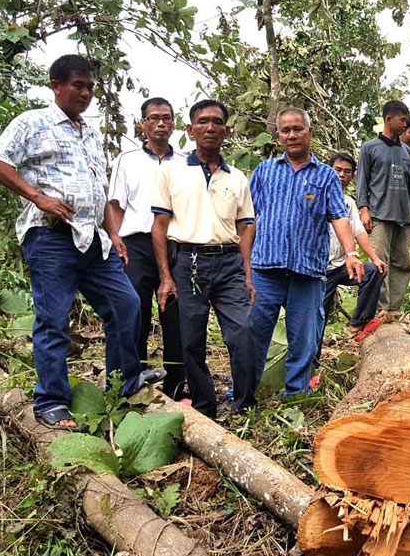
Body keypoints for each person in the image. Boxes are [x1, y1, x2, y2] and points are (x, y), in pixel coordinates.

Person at [0, 54, 163, 430]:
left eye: (91, 87)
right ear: (56, 86)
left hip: (93, 239)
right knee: (54, 320)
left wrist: (114, 233)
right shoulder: (33, 122)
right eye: (78, 85)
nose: (85, 93)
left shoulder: (90, 133)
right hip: (50, 237)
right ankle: (50, 401)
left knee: (126, 304)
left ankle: (124, 382)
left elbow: (100, 191)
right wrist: (38, 197)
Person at [248, 108, 365, 400]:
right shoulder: (265, 171)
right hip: (265, 269)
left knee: (304, 339)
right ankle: (244, 393)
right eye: (285, 130)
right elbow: (248, 217)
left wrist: (351, 253)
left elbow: (339, 216)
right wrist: (242, 263)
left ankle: (296, 395)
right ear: (278, 135)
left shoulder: (326, 176)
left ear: (309, 132)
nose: (291, 135)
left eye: (297, 128)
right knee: (254, 335)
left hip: (308, 272)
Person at [151, 100, 257, 415]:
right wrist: (166, 276)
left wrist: (247, 271)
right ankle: (204, 404)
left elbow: (246, 225)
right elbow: (159, 226)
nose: (210, 127)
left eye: (216, 122)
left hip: (228, 262)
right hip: (188, 261)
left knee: (243, 332)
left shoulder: (237, 177)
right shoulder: (172, 172)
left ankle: (244, 402)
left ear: (226, 130)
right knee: (191, 340)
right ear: (191, 129)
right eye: (203, 121)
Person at [106, 97, 186, 401]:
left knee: (175, 318)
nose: (161, 123)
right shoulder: (127, 160)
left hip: (173, 246)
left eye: (166, 118)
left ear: (174, 123)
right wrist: (114, 237)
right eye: (154, 118)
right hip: (136, 246)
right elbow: (115, 204)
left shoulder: (185, 164)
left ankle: (176, 387)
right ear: (143, 124)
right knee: (133, 312)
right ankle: (132, 383)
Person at [356, 100, 410, 318]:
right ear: (389, 119)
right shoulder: (369, 148)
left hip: (403, 216)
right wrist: (364, 210)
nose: (405, 125)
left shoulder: (406, 152)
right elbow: (362, 182)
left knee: (402, 263)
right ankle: (378, 309)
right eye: (402, 120)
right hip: (379, 214)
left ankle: (394, 308)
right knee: (378, 263)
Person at [320, 153, 388, 351]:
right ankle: (310, 365)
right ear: (329, 170)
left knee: (374, 271)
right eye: (338, 170)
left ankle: (358, 323)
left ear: (353, 176)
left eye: (347, 172)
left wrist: (375, 258)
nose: (341, 175)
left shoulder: (348, 202)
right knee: (318, 318)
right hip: (319, 269)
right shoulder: (317, 195)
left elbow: (358, 231)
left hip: (342, 265)